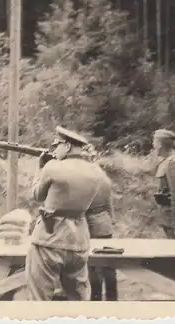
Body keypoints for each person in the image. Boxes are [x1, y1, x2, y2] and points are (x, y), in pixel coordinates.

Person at [25, 126, 108, 301]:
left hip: (49, 237)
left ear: (68, 146)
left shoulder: (52, 167)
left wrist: (40, 168)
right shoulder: (96, 171)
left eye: (57, 144)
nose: (54, 148)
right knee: (78, 299)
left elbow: (36, 195)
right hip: (78, 240)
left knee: (39, 299)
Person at [85, 168, 118, 301]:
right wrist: (111, 219)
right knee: (108, 264)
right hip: (104, 222)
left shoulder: (83, 179)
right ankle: (111, 299)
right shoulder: (103, 178)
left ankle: (96, 299)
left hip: (90, 223)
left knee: (93, 265)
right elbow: (109, 204)